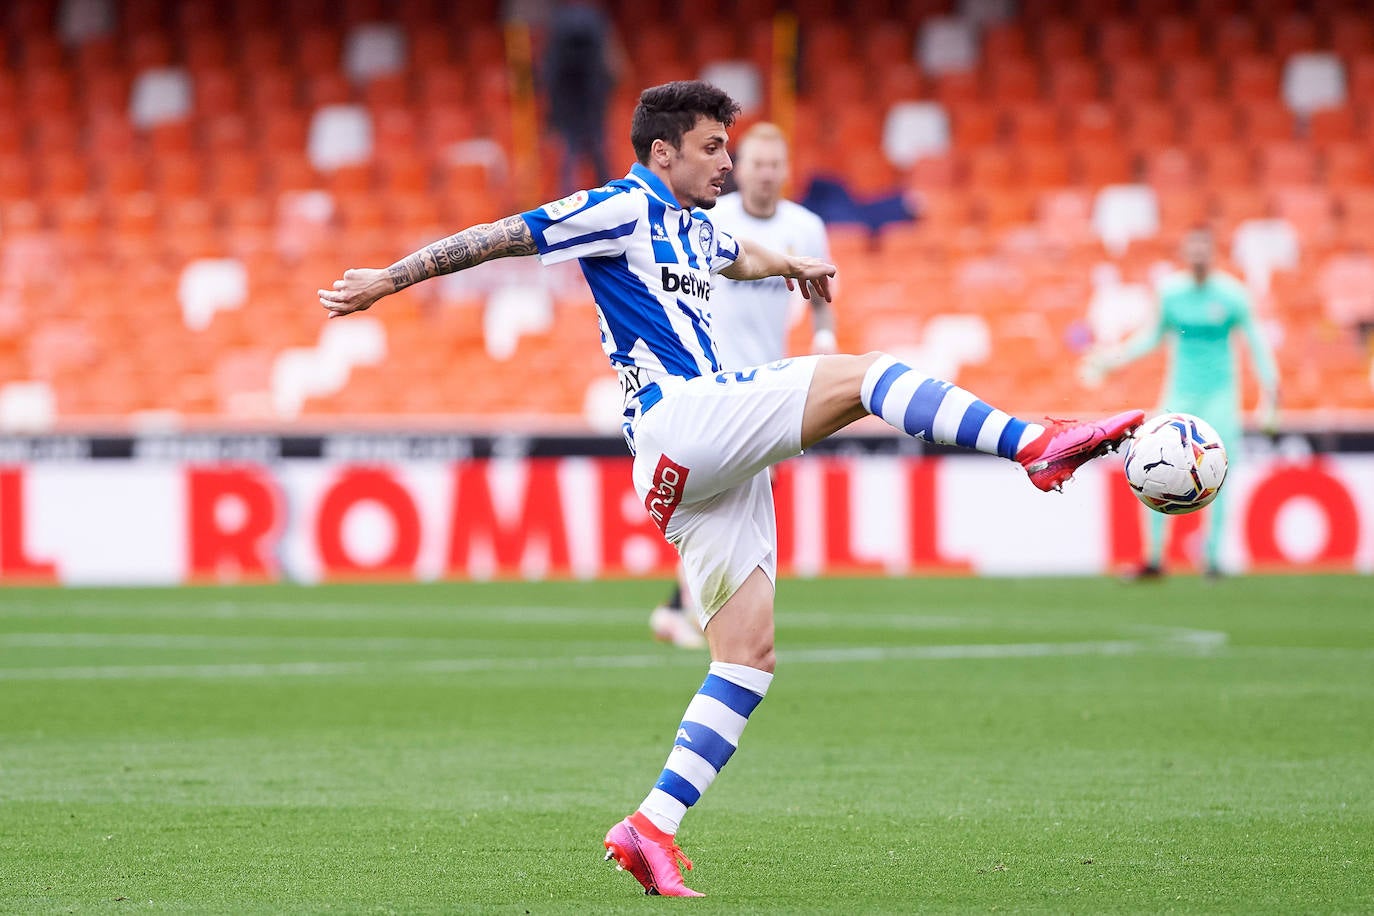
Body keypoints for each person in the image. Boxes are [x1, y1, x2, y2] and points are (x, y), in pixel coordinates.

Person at [319, 80, 1144, 897]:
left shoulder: (693, 228)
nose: (728, 164)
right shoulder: (616, 208)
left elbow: (735, 255)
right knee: (867, 376)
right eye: (713, 148)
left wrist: (788, 263)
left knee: (748, 659)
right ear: (662, 151)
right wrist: (387, 280)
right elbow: (506, 235)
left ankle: (649, 828)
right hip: (682, 420)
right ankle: (1034, 444)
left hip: (697, 464)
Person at [649, 121, 836, 650]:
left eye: (775, 166)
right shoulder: (711, 218)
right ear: (739, 169)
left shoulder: (805, 226)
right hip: (711, 380)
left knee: (742, 497)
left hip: (767, 379)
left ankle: (678, 606)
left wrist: (824, 336)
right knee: (722, 496)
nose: (765, 175)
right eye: (756, 164)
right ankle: (692, 608)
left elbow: (820, 291)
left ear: (785, 172)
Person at [1081, 224, 1279, 578]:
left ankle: (1213, 559)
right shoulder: (1172, 293)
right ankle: (1154, 559)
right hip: (1179, 394)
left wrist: (1270, 389)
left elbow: (1255, 342)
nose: (1200, 256)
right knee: (1151, 467)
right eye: (1194, 249)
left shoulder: (1232, 295)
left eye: (1205, 249)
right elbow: (1151, 336)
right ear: (1186, 254)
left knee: (1218, 473)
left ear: (1213, 253)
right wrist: (1112, 358)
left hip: (1220, 395)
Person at [541, 0, 618, 193]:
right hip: (579, 107)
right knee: (581, 156)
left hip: (580, 106)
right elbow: (612, 71)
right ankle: (609, 198)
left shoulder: (565, 19)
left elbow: (550, 74)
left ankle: (570, 206)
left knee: (575, 158)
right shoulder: (590, 18)